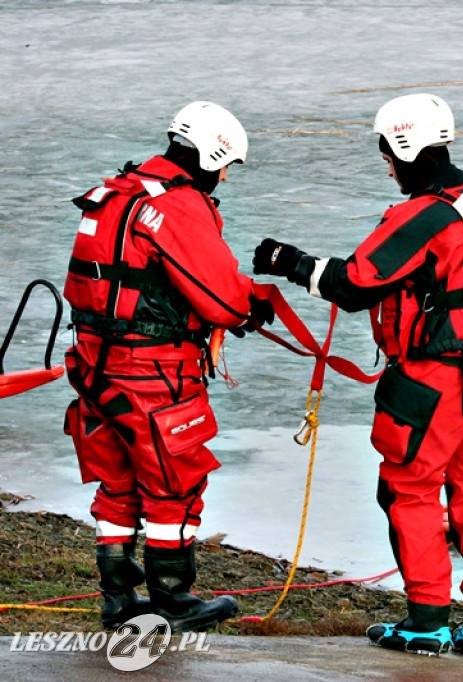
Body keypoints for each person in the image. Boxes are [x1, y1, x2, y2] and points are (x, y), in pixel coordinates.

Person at [252, 93, 463, 658]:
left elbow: (354, 284)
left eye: (386, 153)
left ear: (402, 147)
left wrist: (288, 262)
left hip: (434, 380)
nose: (387, 165)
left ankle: (426, 621)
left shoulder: (428, 213)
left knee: (407, 488)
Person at [63, 101, 274, 633]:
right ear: (210, 153)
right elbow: (223, 300)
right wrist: (252, 305)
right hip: (153, 374)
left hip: (93, 366)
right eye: (226, 165)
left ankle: (118, 598)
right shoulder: (178, 205)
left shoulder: (117, 190)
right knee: (173, 485)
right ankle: (173, 600)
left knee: (116, 483)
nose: (225, 175)